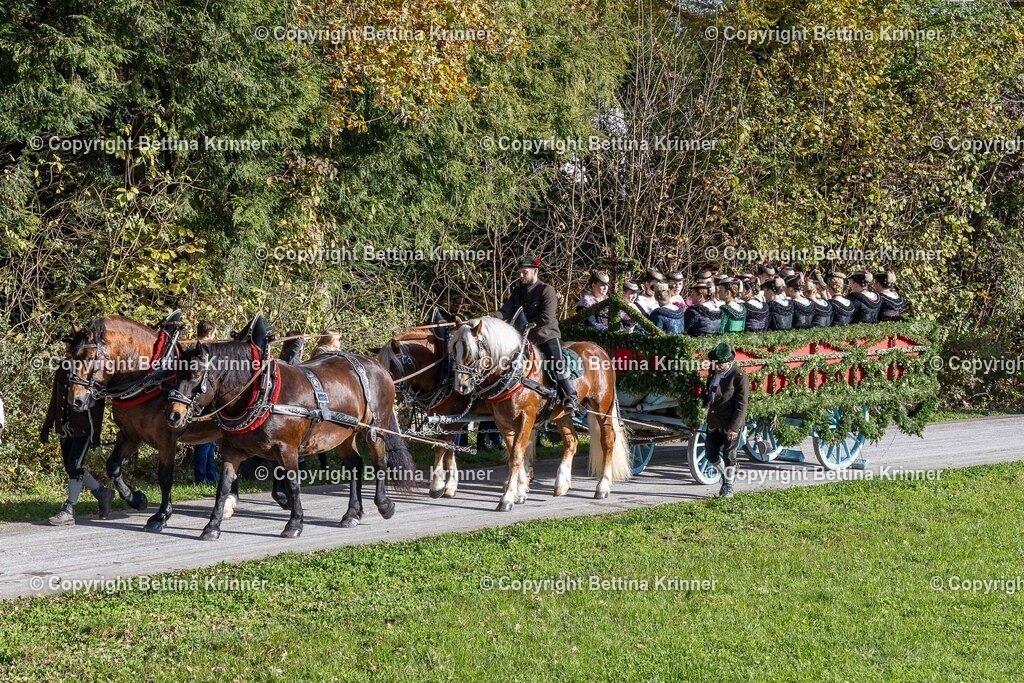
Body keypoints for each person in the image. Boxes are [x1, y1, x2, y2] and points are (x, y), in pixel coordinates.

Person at [493, 255, 578, 412]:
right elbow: (505, 311)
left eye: (524, 272)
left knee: (557, 363)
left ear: (535, 271)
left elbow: (546, 317)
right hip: (524, 339)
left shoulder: (546, 290)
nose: (521, 275)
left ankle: (570, 396)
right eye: (519, 272)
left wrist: (524, 326)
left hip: (546, 336)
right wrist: (490, 318)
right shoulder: (517, 292)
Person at [42, 364, 113, 525]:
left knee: (75, 466)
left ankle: (69, 509)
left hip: (84, 429)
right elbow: (55, 399)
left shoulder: (92, 370)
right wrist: (47, 425)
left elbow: (98, 406)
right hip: (64, 428)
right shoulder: (63, 369)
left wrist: (96, 433)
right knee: (71, 468)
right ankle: (102, 493)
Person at [703, 343, 749, 498]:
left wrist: (734, 428)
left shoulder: (739, 377)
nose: (717, 366)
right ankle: (726, 475)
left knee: (729, 455)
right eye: (715, 363)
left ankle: (728, 486)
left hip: (730, 424)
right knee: (710, 453)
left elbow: (741, 405)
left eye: (720, 364)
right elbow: (710, 392)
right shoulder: (713, 372)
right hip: (714, 422)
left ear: (729, 362)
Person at [191, 320, 219, 485]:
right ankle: (201, 477)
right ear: (209, 333)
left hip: (205, 398)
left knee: (210, 441)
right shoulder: (204, 350)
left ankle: (211, 475)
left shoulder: (193, 347)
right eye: (214, 334)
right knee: (204, 441)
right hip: (202, 399)